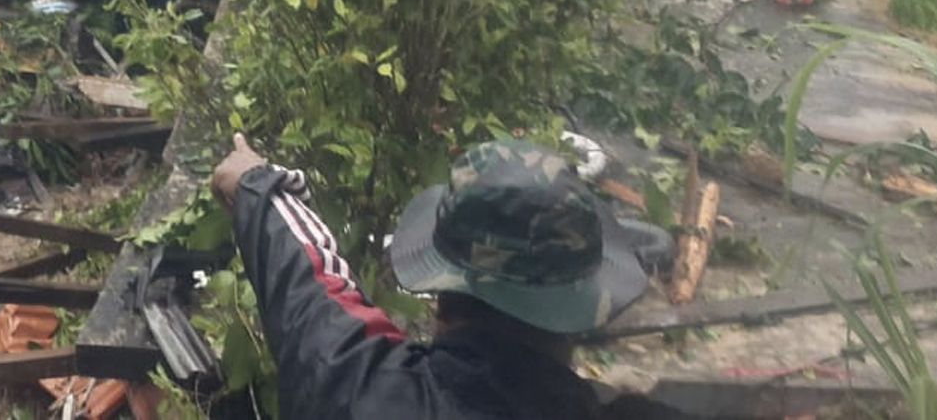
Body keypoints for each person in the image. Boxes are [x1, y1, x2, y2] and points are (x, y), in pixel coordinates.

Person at [212, 131, 685, 419]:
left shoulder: (358, 390)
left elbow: (310, 289)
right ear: (585, 307)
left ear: (443, 292)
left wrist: (259, 186)